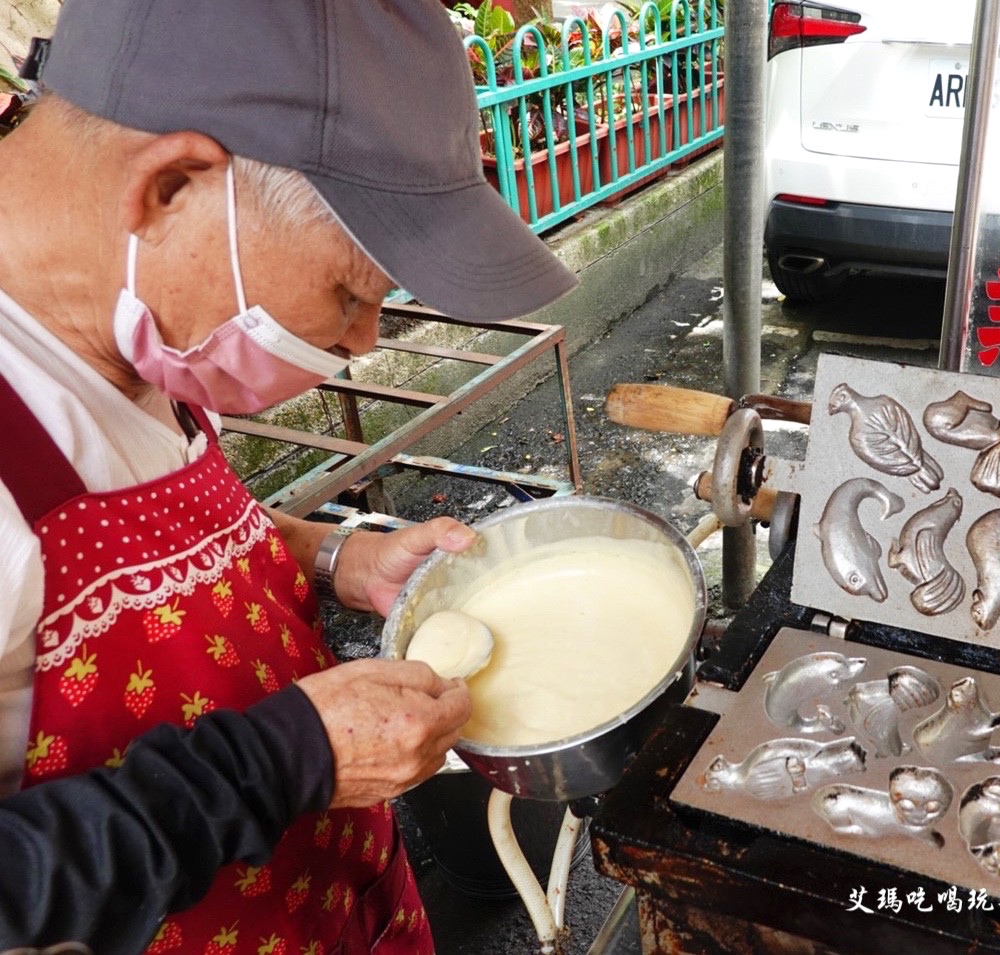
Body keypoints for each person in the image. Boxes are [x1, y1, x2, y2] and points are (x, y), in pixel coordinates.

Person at [0, 0, 577, 951]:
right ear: (172, 186)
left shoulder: (129, 315)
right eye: (351, 292)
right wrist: (279, 760)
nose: (360, 341)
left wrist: (332, 556)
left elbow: (139, 534)